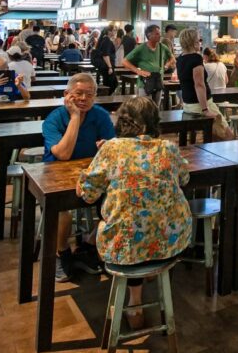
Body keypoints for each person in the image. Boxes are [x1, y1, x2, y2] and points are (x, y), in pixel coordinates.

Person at [77, 96, 191, 324]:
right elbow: (185, 178)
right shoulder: (168, 148)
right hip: (172, 240)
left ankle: (134, 301)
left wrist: (84, 178)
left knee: (125, 228)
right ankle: (141, 289)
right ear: (152, 122)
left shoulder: (112, 149)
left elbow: (88, 195)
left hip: (125, 246)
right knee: (141, 223)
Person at [43, 73, 117, 281]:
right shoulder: (55, 118)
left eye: (89, 94)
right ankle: (62, 253)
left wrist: (107, 147)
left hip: (91, 175)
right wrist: (75, 117)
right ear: (67, 95)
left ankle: (89, 245)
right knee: (62, 212)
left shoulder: (100, 116)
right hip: (56, 174)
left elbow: (113, 148)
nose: (84, 99)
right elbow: (63, 154)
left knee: (117, 202)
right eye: (78, 94)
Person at [176, 28, 226, 127]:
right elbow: (199, 85)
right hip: (200, 104)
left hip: (188, 104)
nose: (200, 43)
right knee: (226, 133)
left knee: (214, 133)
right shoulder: (196, 58)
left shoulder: (180, 58)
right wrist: (205, 109)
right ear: (193, 42)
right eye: (199, 40)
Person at [123, 24, 173, 103]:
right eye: (157, 33)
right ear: (149, 35)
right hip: (144, 84)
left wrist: (167, 65)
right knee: (144, 109)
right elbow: (124, 61)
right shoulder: (141, 48)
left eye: (159, 33)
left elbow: (172, 58)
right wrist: (138, 71)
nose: (160, 35)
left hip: (158, 82)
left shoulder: (162, 47)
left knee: (156, 109)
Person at [91, 27, 117, 91]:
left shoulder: (103, 39)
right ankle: (105, 98)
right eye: (114, 30)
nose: (115, 32)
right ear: (109, 31)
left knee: (109, 83)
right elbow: (105, 55)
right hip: (106, 66)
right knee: (111, 84)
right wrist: (110, 67)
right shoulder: (107, 40)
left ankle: (105, 97)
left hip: (104, 65)